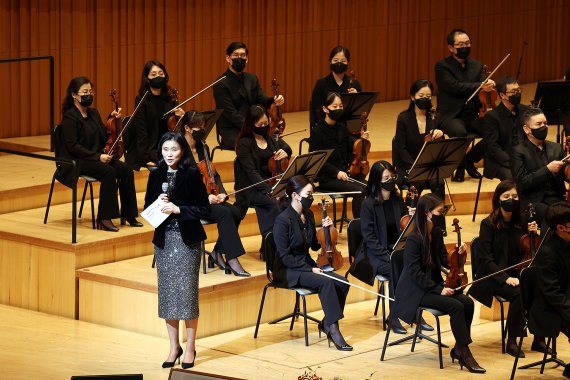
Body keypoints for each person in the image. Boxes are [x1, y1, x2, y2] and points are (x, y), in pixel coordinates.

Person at [393, 193, 485, 374]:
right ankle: (464, 352)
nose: (442, 215)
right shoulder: (414, 238)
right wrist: (439, 289)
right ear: (427, 213)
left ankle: (459, 347)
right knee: (455, 306)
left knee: (467, 302)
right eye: (439, 211)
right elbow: (414, 273)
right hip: (416, 291)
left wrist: (456, 255)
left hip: (432, 285)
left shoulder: (435, 232)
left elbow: (443, 258)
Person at [144, 132, 211, 369]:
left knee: (187, 295)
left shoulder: (192, 174)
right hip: (164, 242)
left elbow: (204, 210)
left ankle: (190, 346)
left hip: (187, 242)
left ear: (182, 150)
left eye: (173, 149)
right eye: (165, 150)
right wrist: (157, 204)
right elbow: (146, 209)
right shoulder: (156, 175)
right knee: (168, 296)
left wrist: (178, 209)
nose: (169, 154)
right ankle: (174, 347)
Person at [349, 161, 433, 334]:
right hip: (373, 254)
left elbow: (403, 229)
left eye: (392, 177)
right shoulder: (368, 204)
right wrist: (388, 256)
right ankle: (394, 317)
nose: (390, 180)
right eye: (386, 178)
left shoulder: (396, 200)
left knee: (415, 266)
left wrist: (411, 219)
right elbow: (369, 238)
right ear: (377, 181)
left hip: (395, 249)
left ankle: (415, 313)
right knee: (399, 270)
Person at [468, 180, 549, 357]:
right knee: (520, 293)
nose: (511, 199)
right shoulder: (488, 224)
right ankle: (512, 340)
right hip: (493, 275)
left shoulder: (523, 221)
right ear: (498, 199)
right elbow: (486, 260)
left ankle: (539, 339)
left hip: (517, 272)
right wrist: (505, 278)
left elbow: (531, 250)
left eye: (514, 196)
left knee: (542, 287)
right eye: (506, 196)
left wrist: (535, 234)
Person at [273, 175, 352, 350]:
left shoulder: (307, 215)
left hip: (306, 265)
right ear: (295, 195)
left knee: (343, 283)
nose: (311, 197)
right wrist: (310, 269)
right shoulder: (282, 220)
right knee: (326, 282)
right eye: (308, 193)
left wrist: (325, 229)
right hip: (288, 270)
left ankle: (326, 322)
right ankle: (333, 329)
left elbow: (315, 246)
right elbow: (285, 257)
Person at [59, 76, 141, 232]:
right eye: (84, 92)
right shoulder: (70, 116)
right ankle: (104, 218)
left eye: (91, 91)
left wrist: (112, 119)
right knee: (109, 172)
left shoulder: (94, 113)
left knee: (126, 170)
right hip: (77, 161)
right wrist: (98, 157)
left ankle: (129, 214)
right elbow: (72, 146)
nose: (88, 95)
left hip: (96, 157)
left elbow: (104, 136)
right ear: (74, 95)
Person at [182, 111, 249, 276]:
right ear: (187, 128)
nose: (202, 131)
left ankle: (217, 252)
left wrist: (222, 193)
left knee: (235, 211)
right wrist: (204, 197)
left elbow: (214, 174)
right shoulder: (179, 150)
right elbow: (182, 184)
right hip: (190, 201)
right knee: (225, 213)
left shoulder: (202, 147)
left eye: (203, 127)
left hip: (208, 196)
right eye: (199, 128)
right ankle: (232, 259)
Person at [435, 28, 493, 182]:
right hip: (450, 114)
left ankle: (469, 160)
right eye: (460, 44)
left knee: (495, 129)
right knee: (459, 132)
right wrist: (480, 85)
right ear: (451, 48)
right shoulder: (442, 66)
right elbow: (454, 87)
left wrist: (489, 84)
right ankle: (459, 166)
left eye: (467, 43)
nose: (465, 47)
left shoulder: (477, 65)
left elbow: (483, 84)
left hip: (472, 114)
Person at [234, 105, 292, 251]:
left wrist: (284, 152)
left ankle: (282, 244)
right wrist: (270, 190)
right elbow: (251, 172)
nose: (264, 127)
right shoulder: (244, 143)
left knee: (290, 199)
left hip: (270, 183)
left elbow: (288, 149)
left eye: (266, 123)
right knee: (273, 203)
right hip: (251, 188)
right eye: (260, 125)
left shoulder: (271, 139)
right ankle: (271, 247)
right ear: (251, 124)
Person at [393, 79, 446, 231]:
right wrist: (415, 166)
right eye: (421, 95)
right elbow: (401, 148)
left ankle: (438, 224)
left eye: (428, 96)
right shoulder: (403, 118)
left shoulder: (435, 117)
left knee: (439, 183)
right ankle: (411, 223)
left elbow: (440, 146)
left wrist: (441, 134)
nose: (425, 99)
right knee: (418, 182)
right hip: (409, 165)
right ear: (412, 97)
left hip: (429, 165)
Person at [213, 41, 285, 150]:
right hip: (232, 130)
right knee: (255, 146)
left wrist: (275, 100)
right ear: (228, 58)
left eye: (242, 56)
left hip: (254, 127)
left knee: (284, 147)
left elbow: (262, 100)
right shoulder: (220, 84)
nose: (239, 58)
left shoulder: (252, 79)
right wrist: (252, 127)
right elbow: (231, 114)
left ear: (247, 59)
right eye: (236, 55)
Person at [309, 91, 367, 218]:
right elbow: (317, 160)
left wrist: (362, 140)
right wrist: (336, 172)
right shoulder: (317, 132)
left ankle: (370, 223)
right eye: (334, 106)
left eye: (340, 106)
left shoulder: (342, 128)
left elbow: (352, 148)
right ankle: (359, 226)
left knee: (370, 187)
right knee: (359, 191)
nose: (339, 109)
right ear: (325, 109)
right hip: (328, 178)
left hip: (345, 174)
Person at [529, 201, 570, 378]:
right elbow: (552, 294)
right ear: (561, 228)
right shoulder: (547, 253)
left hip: (564, 300)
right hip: (548, 308)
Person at [510, 108, 565, 230]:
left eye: (545, 123)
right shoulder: (518, 151)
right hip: (533, 202)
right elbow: (522, 182)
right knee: (553, 216)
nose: (544, 127)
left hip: (557, 199)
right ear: (527, 129)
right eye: (539, 124)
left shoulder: (556, 148)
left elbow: (566, 175)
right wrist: (547, 169)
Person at [125, 60, 185, 170]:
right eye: (153, 74)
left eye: (161, 74)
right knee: (170, 161)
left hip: (168, 144)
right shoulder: (142, 100)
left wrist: (180, 117)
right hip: (150, 147)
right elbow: (141, 132)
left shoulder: (169, 97)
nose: (158, 76)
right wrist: (146, 158)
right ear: (147, 78)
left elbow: (175, 128)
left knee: (186, 158)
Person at [483, 76, 530, 180]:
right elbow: (493, 147)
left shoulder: (525, 110)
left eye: (518, 90)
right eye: (513, 91)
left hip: (522, 157)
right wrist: (514, 162)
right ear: (502, 95)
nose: (518, 93)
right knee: (513, 176)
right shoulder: (492, 117)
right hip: (501, 161)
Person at [310, 46, 362, 128]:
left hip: (348, 128)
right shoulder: (321, 84)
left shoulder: (354, 84)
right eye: (336, 60)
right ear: (330, 62)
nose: (339, 63)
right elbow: (315, 111)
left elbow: (361, 111)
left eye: (343, 61)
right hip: (327, 129)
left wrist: (357, 97)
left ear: (348, 62)